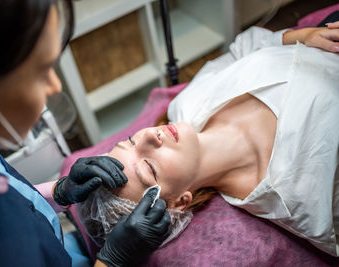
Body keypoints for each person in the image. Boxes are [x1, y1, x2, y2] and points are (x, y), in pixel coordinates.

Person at [76, 21, 339, 257]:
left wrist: (302, 36)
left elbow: (242, 48)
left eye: (132, 141)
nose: (149, 136)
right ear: (180, 201)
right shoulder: (297, 198)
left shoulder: (186, 105)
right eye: (149, 167)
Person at [0, 1, 171, 266]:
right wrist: (113, 261)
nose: (55, 85)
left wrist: (59, 193)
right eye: (40, 72)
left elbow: (8, 197)